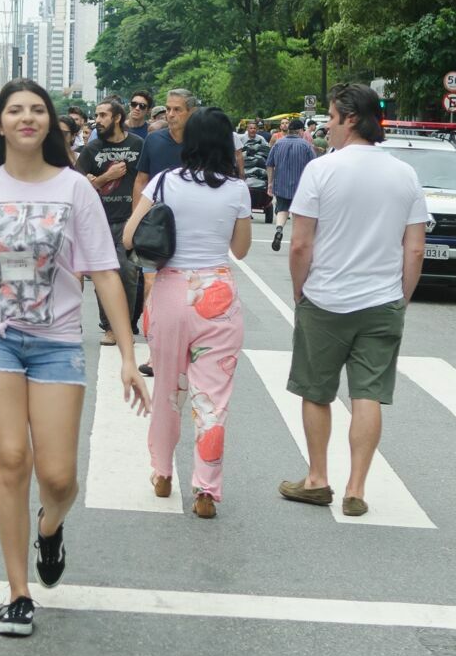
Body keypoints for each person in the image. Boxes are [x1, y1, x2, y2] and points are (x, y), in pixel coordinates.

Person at [0, 80, 147, 637]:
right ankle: (17, 592)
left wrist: (129, 355)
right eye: (15, 110)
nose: (27, 118)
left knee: (60, 477)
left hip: (59, 342)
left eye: (37, 109)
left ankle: (50, 525)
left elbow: (106, 274)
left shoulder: (75, 190)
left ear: (49, 122)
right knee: (12, 459)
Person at [279, 86, 427, 519]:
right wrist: (401, 297)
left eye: (329, 117)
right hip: (381, 302)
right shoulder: (405, 174)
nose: (325, 125)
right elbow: (415, 248)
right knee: (368, 395)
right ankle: (356, 487)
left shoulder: (321, 171)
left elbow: (300, 245)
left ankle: (317, 479)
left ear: (348, 118)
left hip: (324, 298)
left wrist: (299, 289)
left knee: (316, 391)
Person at [122, 106, 250, 517]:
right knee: (212, 399)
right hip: (218, 295)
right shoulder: (237, 190)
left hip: (171, 292)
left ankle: (161, 472)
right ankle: (206, 490)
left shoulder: (163, 183)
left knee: (167, 391)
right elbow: (241, 249)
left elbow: (129, 237)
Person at [76, 98, 145, 344]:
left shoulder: (138, 145)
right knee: (103, 275)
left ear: (117, 118)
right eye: (97, 115)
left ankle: (124, 326)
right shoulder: (92, 149)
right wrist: (105, 177)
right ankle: (109, 327)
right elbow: (78, 183)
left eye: (104, 115)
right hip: (99, 221)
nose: (99, 120)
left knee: (128, 273)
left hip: (129, 220)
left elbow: (146, 180)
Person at [133, 88, 198, 200]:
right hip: (157, 211)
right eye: (168, 109)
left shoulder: (204, 142)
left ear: (192, 112)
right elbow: (141, 180)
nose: (170, 114)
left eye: (177, 109)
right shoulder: (153, 139)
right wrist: (138, 216)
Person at [267, 117, 315, 253]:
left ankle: (279, 229)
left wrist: (270, 183)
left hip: (281, 183)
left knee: (282, 209)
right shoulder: (306, 146)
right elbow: (314, 166)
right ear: (300, 130)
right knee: (297, 213)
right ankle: (295, 240)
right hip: (301, 186)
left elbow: (269, 164)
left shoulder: (278, 144)